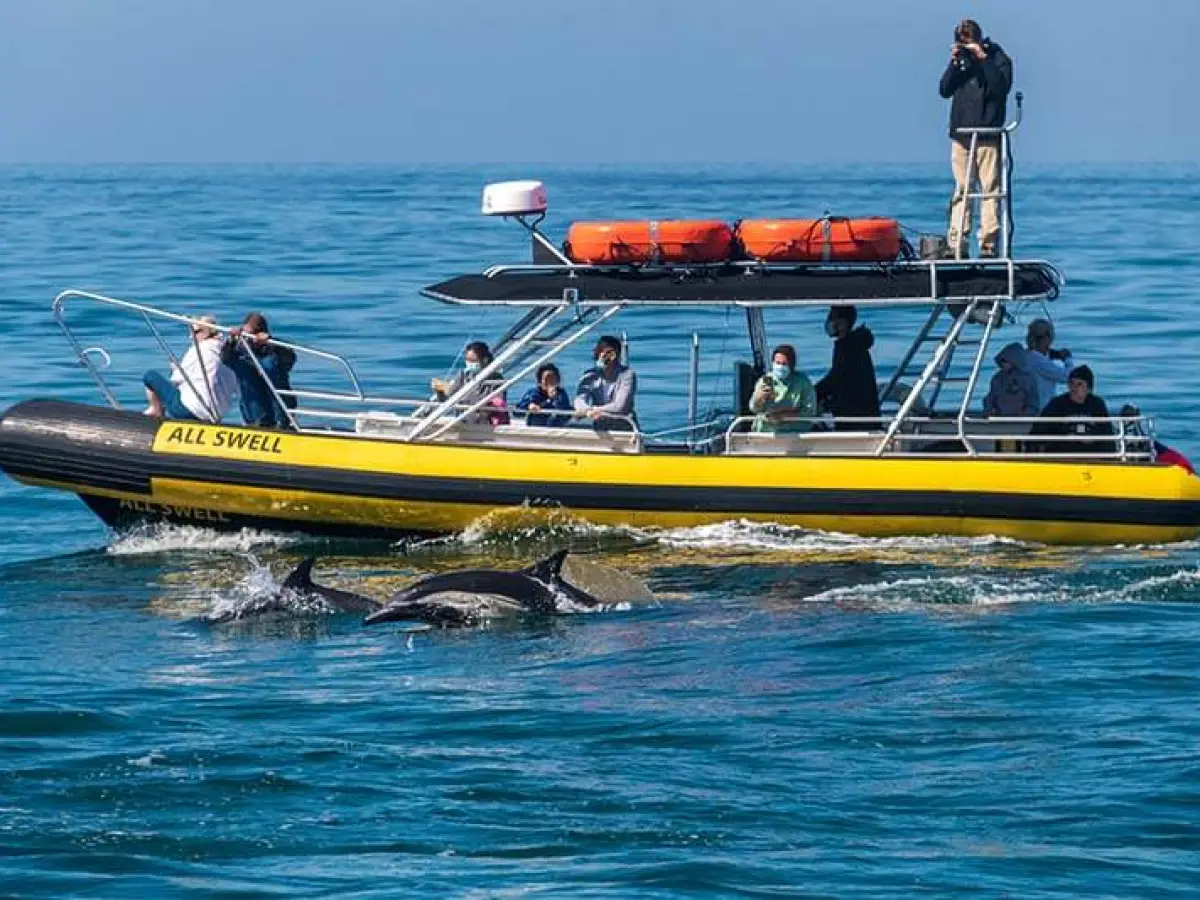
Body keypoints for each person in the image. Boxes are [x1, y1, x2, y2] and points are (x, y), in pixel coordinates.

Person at [938, 18, 1014, 258]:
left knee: (990, 190)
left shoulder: (999, 59)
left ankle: (988, 246)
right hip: (961, 137)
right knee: (962, 190)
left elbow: (999, 88)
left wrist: (982, 58)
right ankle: (956, 243)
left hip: (988, 135)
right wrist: (954, 63)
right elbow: (944, 90)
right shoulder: (961, 63)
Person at [143, 316, 238, 423]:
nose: (190, 336)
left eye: (195, 332)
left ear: (207, 332)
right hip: (217, 414)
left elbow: (177, 378)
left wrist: (174, 368)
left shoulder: (198, 350)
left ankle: (156, 410)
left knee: (149, 376)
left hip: (189, 411)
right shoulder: (229, 354)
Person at [221, 312, 297, 428]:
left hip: (278, 410)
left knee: (268, 364)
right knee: (242, 366)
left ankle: (281, 422)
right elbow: (226, 359)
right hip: (254, 411)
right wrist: (231, 340)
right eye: (246, 334)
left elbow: (290, 359)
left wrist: (270, 343)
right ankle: (256, 421)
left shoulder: (274, 348)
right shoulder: (241, 347)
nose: (249, 339)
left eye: (251, 335)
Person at [815, 305, 880, 430]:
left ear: (842, 323)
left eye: (831, 317)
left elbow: (837, 378)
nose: (829, 322)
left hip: (856, 419)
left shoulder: (848, 347)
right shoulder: (855, 344)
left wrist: (813, 393)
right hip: (864, 415)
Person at [1030, 365, 1115, 455]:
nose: (1074, 388)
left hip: (1091, 458)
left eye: (1079, 384)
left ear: (1089, 388)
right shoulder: (1057, 404)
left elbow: (1107, 435)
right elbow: (1037, 432)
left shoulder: (1097, 404)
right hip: (1060, 457)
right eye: (1071, 383)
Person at [431, 341, 509, 425]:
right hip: (463, 422)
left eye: (473, 360)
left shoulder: (496, 379)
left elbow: (493, 405)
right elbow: (447, 401)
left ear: (485, 360)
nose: (470, 363)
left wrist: (463, 397)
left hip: (486, 424)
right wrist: (439, 391)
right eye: (467, 360)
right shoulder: (463, 375)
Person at [575, 335, 638, 431]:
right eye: (597, 350)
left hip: (624, 429)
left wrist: (596, 410)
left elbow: (620, 407)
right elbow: (579, 399)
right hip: (600, 428)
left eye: (601, 350)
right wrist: (586, 410)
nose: (597, 355)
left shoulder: (627, 375)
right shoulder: (590, 375)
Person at [748, 344, 816, 433]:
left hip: (797, 432)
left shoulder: (803, 382)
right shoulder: (765, 381)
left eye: (784, 364)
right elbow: (754, 408)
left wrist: (783, 416)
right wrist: (759, 397)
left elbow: (809, 411)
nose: (780, 367)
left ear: (792, 365)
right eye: (778, 363)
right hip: (767, 432)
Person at [1025, 318, 1075, 411]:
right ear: (1047, 338)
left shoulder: (1026, 356)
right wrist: (1068, 359)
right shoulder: (1038, 361)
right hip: (1040, 413)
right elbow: (1068, 377)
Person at [983, 341, 1039, 418]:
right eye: (1001, 361)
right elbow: (991, 396)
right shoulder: (998, 378)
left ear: (1014, 360)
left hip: (1021, 418)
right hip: (1000, 417)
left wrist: (1026, 414)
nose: (1003, 364)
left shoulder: (1027, 378)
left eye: (1005, 361)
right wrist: (988, 410)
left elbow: (1033, 400)